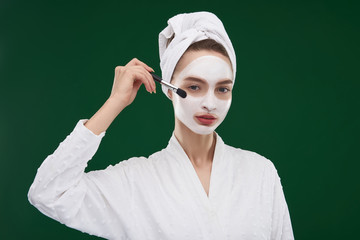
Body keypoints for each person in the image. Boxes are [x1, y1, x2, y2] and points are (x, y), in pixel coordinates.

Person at [28, 11, 294, 240]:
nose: (210, 104)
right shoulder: (136, 183)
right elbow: (49, 193)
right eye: (194, 87)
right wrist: (115, 102)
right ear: (168, 88)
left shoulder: (260, 173)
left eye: (223, 89)